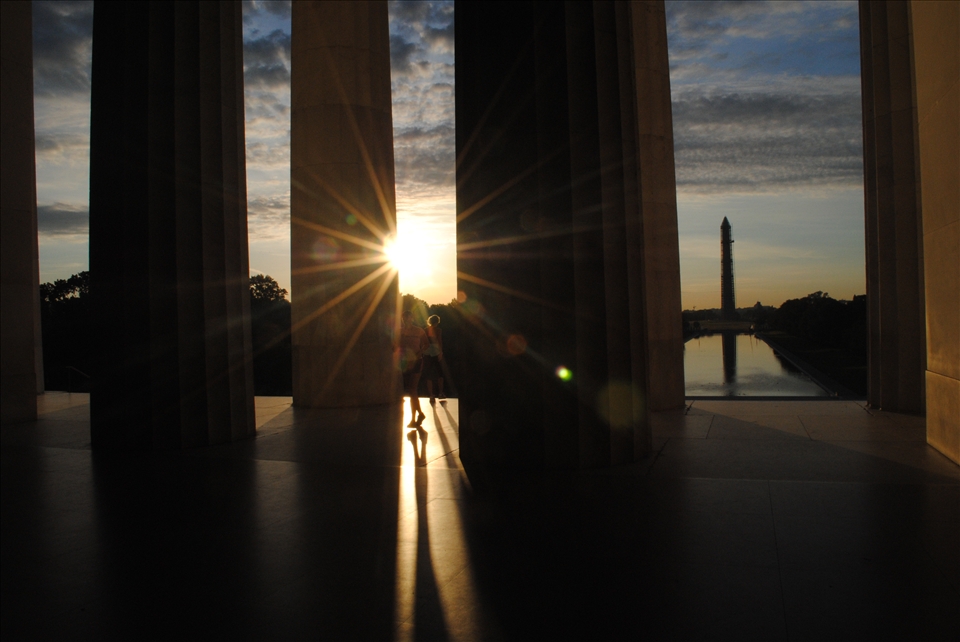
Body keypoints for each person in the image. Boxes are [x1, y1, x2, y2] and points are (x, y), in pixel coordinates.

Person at [399, 310, 428, 427]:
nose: (406, 319)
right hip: (405, 362)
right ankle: (420, 413)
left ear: (412, 318)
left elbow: (426, 344)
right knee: (411, 390)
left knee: (413, 389)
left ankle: (413, 418)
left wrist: (419, 353)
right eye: (404, 318)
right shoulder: (400, 331)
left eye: (408, 317)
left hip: (417, 361)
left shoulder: (419, 331)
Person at [423, 314, 445, 404]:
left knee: (428, 374)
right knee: (440, 373)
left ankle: (431, 394)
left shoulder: (425, 330)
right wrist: (441, 352)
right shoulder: (438, 330)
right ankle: (440, 393)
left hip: (427, 352)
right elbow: (439, 341)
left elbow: (424, 341)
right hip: (436, 351)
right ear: (437, 322)